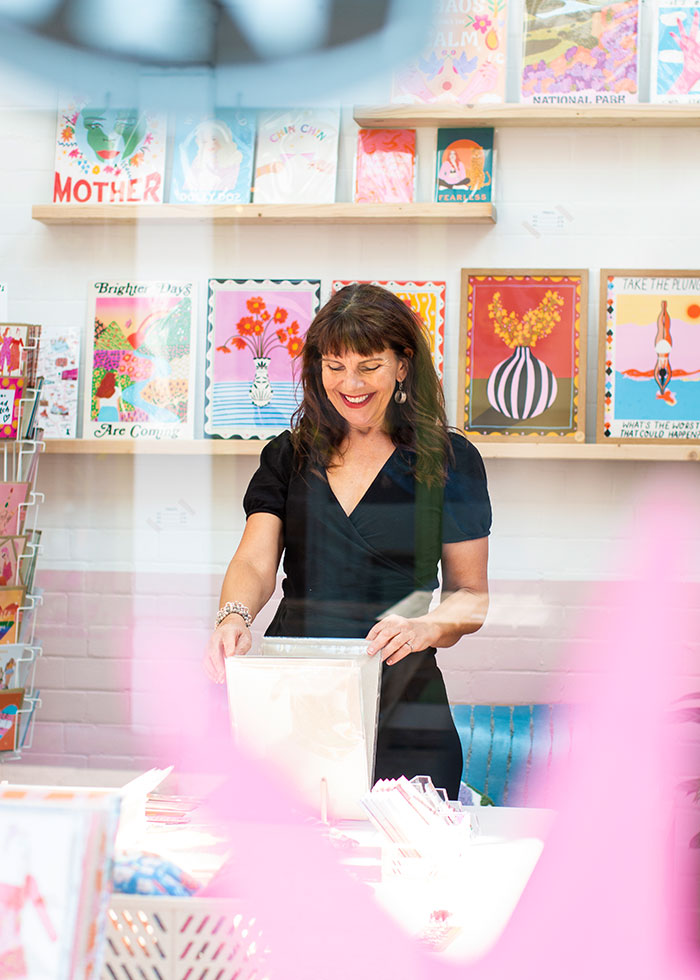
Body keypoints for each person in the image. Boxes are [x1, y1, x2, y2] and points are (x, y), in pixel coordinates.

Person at [204, 284, 491, 799]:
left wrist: (426, 628)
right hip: (298, 697)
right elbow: (254, 558)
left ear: (403, 366)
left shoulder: (449, 460)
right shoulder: (288, 455)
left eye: (368, 366)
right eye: (334, 366)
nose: (350, 383)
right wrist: (233, 616)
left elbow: (470, 596)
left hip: (406, 705)